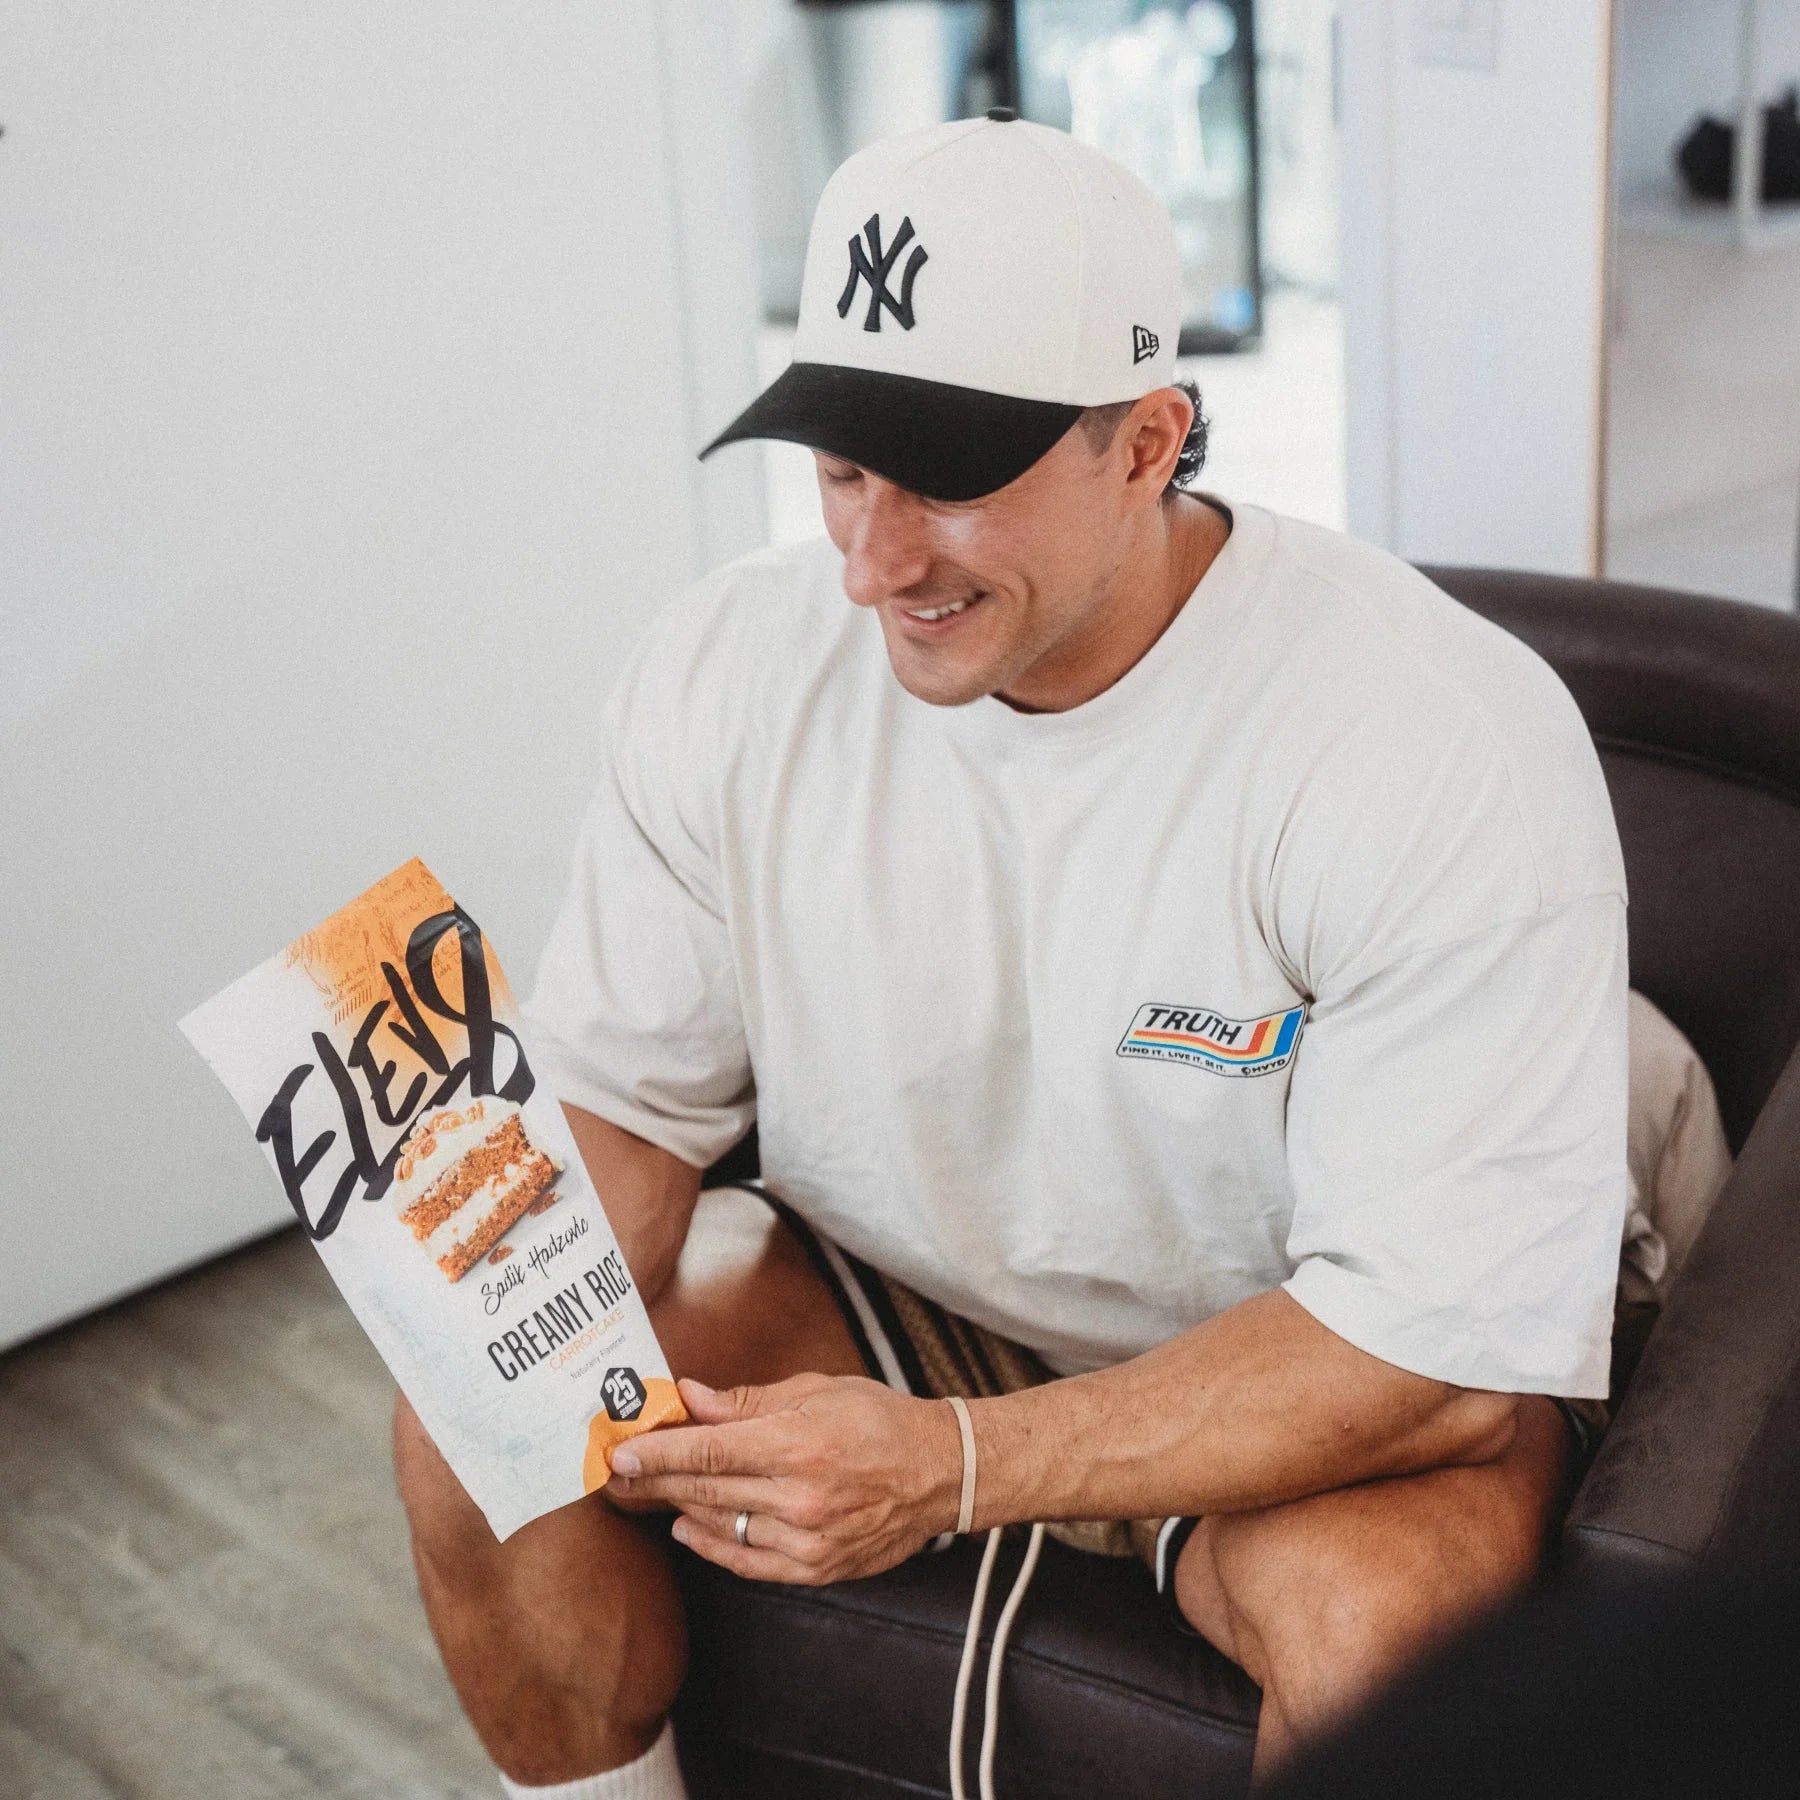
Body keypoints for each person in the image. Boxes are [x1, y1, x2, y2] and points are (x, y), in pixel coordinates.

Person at [391, 113, 1629, 1798]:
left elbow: (1436, 1362)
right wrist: (485, 1305)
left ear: (1150, 440)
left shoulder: (1430, 745)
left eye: (951, 482)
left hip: (1294, 1358)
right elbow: (620, 1106)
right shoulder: (730, 668)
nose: (873, 562)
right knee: (476, 1407)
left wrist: (955, 1465)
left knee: (1384, 1644)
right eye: (843, 469)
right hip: (908, 1293)